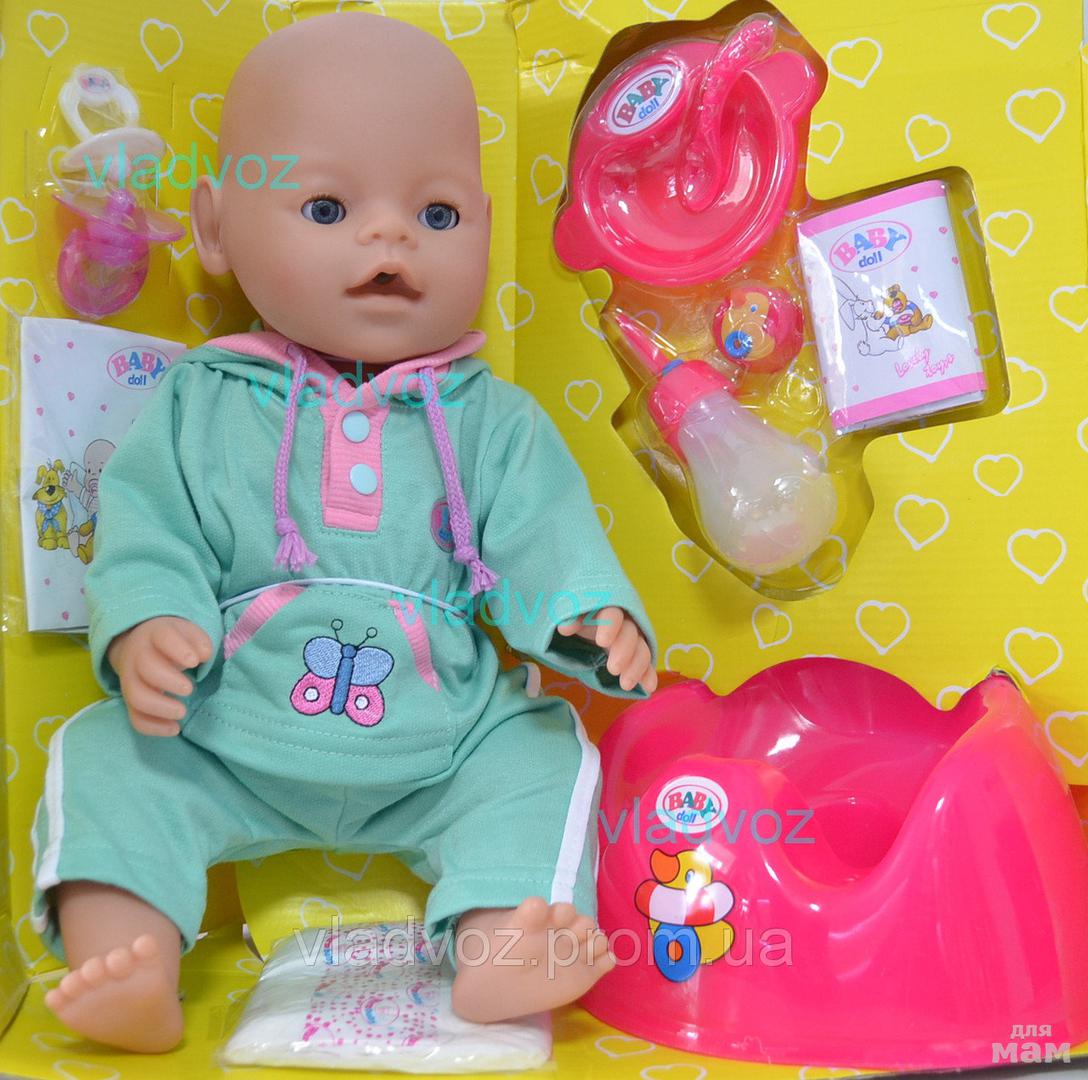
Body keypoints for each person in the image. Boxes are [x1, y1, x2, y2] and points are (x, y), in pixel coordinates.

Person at [30, 11, 657, 1053]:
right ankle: (125, 953)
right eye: (327, 206)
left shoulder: (489, 419)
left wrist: (585, 615)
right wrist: (149, 623)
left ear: (486, 228)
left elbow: (540, 536)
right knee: (106, 753)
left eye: (438, 213)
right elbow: (147, 530)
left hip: (441, 741)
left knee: (541, 749)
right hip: (223, 730)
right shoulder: (202, 399)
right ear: (216, 228)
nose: (390, 238)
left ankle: (502, 944)